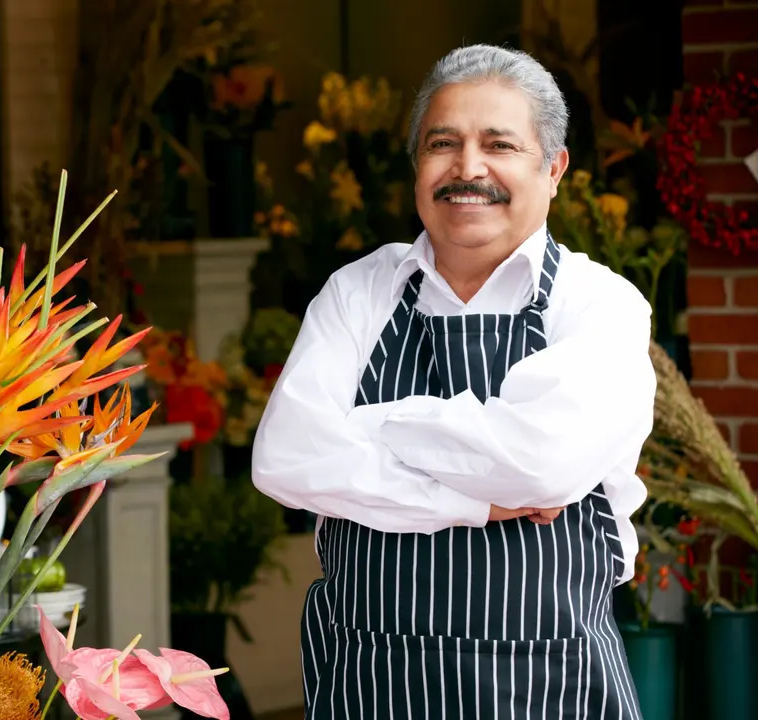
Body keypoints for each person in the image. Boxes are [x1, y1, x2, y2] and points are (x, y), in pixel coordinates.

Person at [251, 44, 654, 719]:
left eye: (499, 144)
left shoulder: (599, 304)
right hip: (370, 685)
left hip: (550, 689)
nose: (469, 168)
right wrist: (474, 501)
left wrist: (373, 424)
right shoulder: (357, 295)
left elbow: (538, 466)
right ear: (417, 164)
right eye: (443, 143)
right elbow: (285, 459)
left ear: (553, 169)